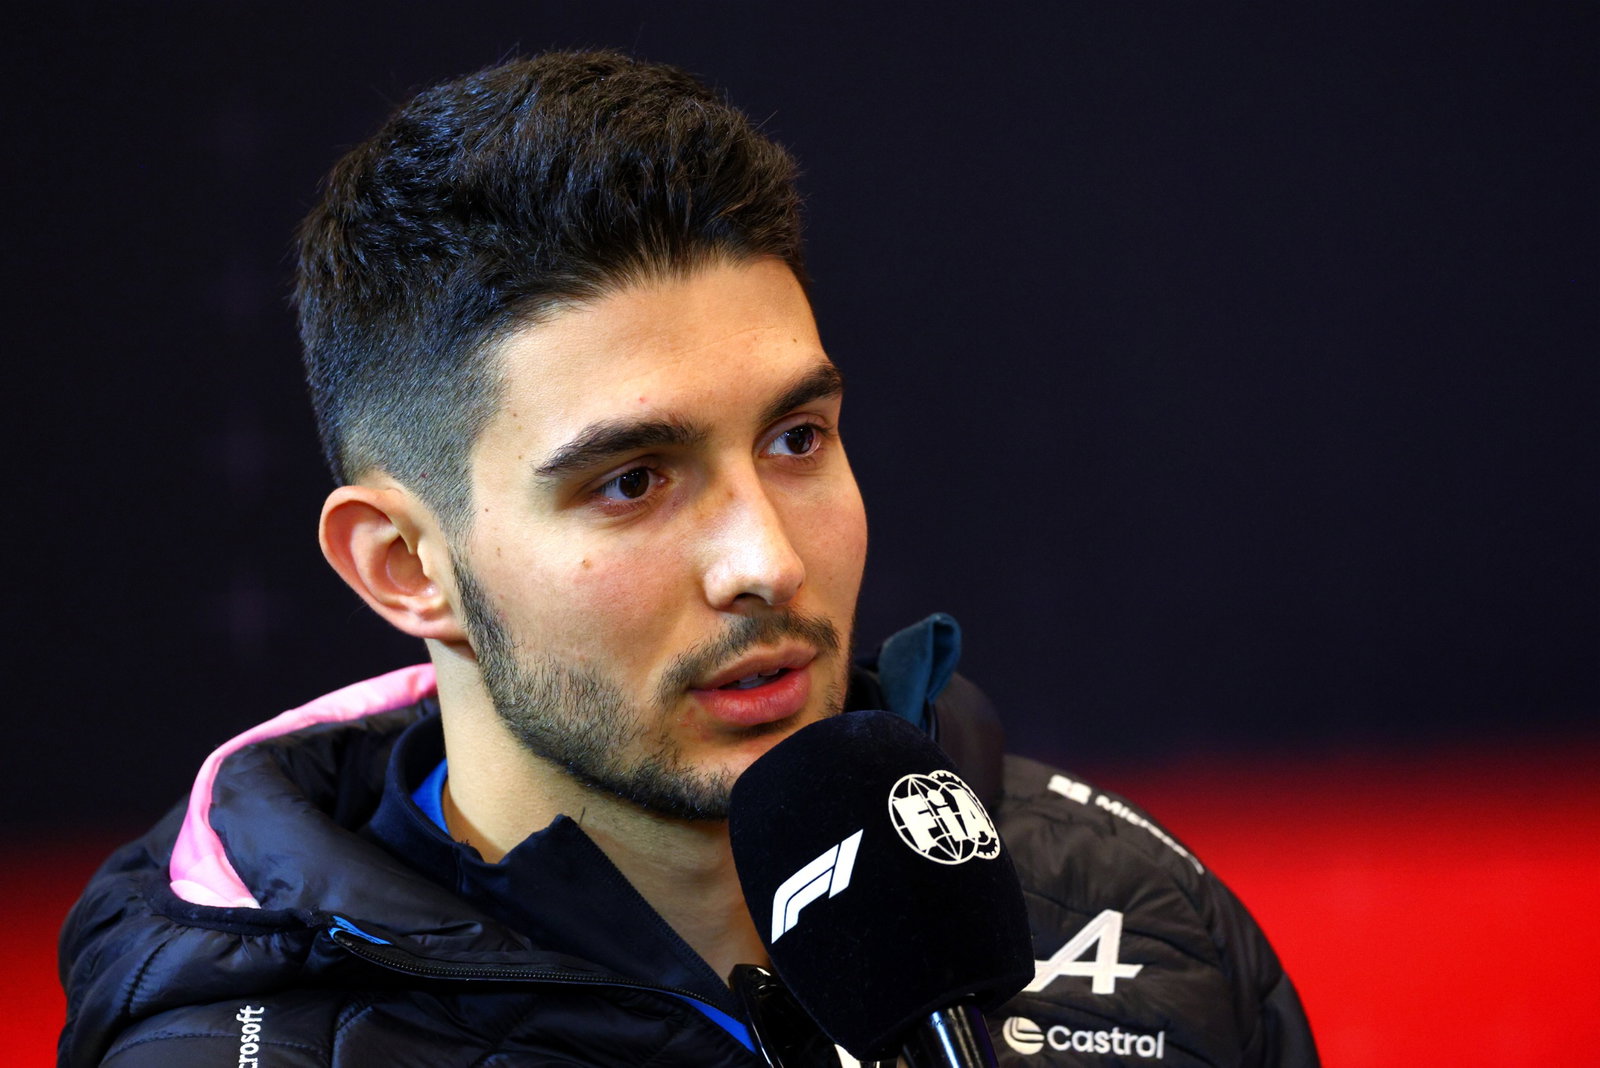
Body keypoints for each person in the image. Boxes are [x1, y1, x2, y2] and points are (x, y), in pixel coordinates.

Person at [58, 51, 1317, 1067]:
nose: (764, 561)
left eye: (795, 438)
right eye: (632, 482)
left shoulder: (1140, 917)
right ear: (405, 567)